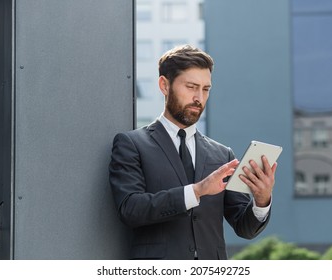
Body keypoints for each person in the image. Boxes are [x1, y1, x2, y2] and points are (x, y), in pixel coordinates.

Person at [109, 45, 278, 260]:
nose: (199, 97)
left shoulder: (222, 155)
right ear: (164, 85)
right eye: (191, 87)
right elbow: (131, 209)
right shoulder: (131, 144)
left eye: (205, 89)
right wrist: (197, 191)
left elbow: (245, 228)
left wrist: (261, 201)